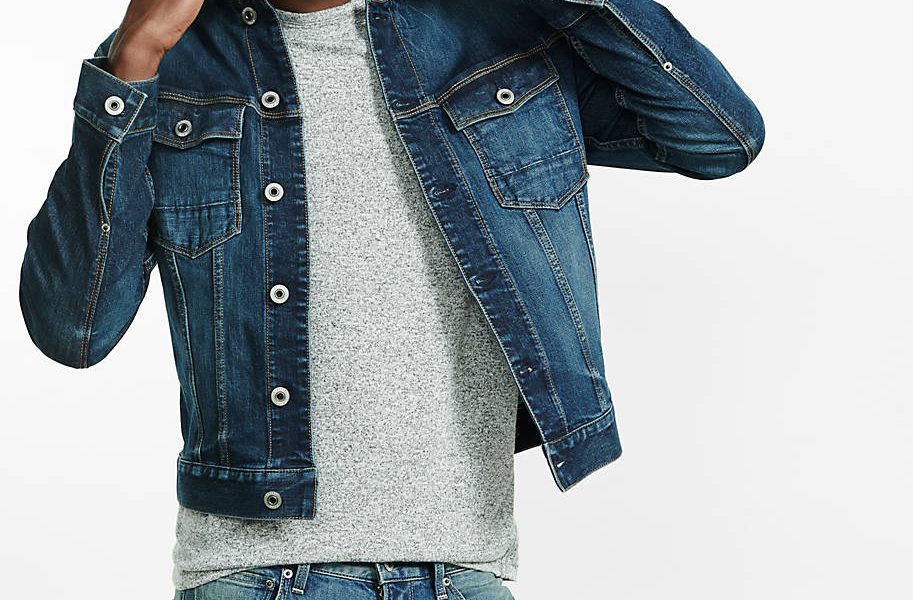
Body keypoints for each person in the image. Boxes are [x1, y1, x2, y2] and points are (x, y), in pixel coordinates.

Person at [18, 0, 764, 598]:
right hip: (251, 574)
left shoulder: (498, 33)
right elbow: (72, 328)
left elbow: (719, 138)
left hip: (466, 569)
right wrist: (134, 59)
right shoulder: (172, 63)